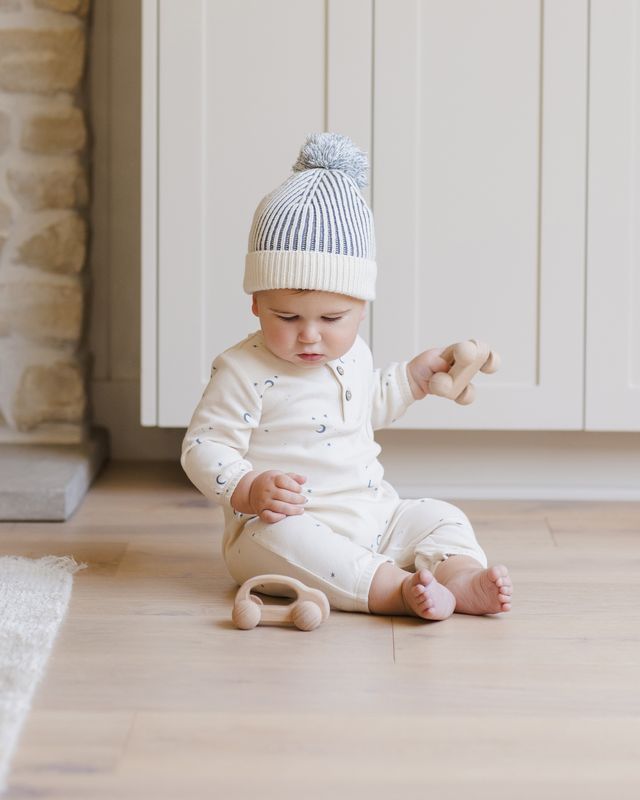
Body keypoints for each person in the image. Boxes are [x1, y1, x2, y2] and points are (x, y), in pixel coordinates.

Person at [181, 132, 512, 620]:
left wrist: (415, 378)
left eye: (332, 319)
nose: (310, 336)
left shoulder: (353, 354)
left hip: (374, 513)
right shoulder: (242, 369)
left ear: (361, 309)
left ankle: (459, 576)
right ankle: (396, 590)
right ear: (255, 302)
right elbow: (202, 447)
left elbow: (366, 406)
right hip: (283, 524)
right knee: (288, 542)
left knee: (440, 515)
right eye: (287, 317)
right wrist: (248, 487)